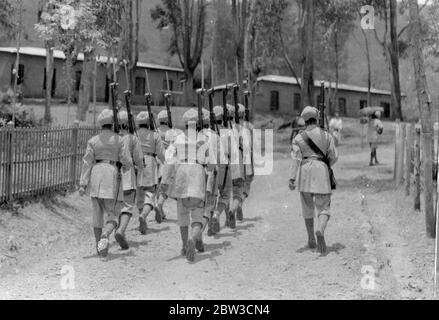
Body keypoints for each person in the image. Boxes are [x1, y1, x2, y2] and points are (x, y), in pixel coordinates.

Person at [78, 109, 132, 257]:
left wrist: (83, 184)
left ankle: (100, 248)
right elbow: (126, 160)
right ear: (113, 123)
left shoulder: (93, 140)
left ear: (101, 124)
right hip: (112, 174)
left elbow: (86, 162)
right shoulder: (119, 139)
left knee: (97, 214)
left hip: (96, 175)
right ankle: (106, 235)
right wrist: (127, 167)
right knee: (113, 212)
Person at [289, 106, 338, 254]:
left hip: (304, 173)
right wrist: (325, 163)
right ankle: (320, 229)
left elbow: (295, 159)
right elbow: (334, 157)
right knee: (323, 207)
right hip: (321, 172)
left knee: (307, 208)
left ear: (304, 120)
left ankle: (311, 238)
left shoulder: (298, 138)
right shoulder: (326, 135)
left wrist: (292, 178)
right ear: (316, 119)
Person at [167, 109, 212, 262]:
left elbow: (170, 159)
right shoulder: (204, 139)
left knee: (183, 213)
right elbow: (210, 164)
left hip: (181, 173)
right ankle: (193, 238)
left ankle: (184, 245)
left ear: (186, 124)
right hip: (197, 172)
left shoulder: (178, 138)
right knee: (198, 214)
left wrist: (166, 180)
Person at [115, 111, 144, 250]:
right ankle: (121, 230)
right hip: (127, 176)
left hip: (112, 177)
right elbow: (138, 159)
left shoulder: (112, 138)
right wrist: (140, 166)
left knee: (116, 206)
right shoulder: (133, 139)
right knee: (127, 206)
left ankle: (116, 230)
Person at [136, 111, 166, 235]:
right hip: (149, 162)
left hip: (136, 163)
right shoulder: (155, 135)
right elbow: (161, 154)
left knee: (139, 194)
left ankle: (141, 219)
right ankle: (144, 215)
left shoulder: (134, 134)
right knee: (150, 194)